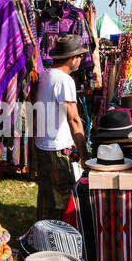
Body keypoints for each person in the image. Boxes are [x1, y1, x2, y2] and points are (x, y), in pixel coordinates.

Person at [33, 35, 89, 220]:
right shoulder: (64, 80)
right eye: (80, 56)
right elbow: (73, 119)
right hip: (57, 150)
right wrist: (84, 154)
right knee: (62, 203)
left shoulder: (45, 76)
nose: (81, 60)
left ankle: (42, 237)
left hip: (43, 145)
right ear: (73, 58)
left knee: (47, 198)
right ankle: (57, 240)